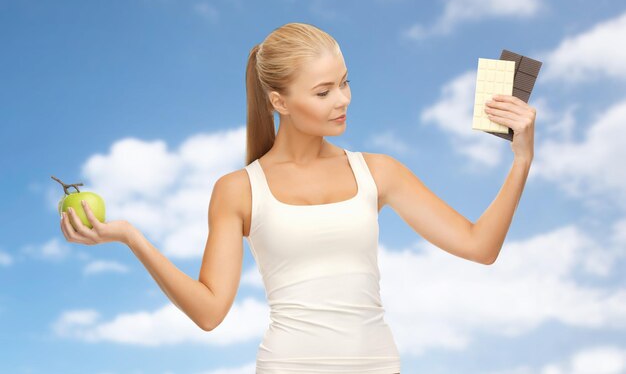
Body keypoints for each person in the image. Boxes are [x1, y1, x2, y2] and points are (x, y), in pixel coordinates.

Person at [60, 22, 536, 374]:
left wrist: (520, 162)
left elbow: (480, 246)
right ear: (279, 102)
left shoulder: (378, 172)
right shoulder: (238, 189)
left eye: (345, 83)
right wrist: (130, 237)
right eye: (324, 91)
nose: (343, 99)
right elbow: (209, 313)